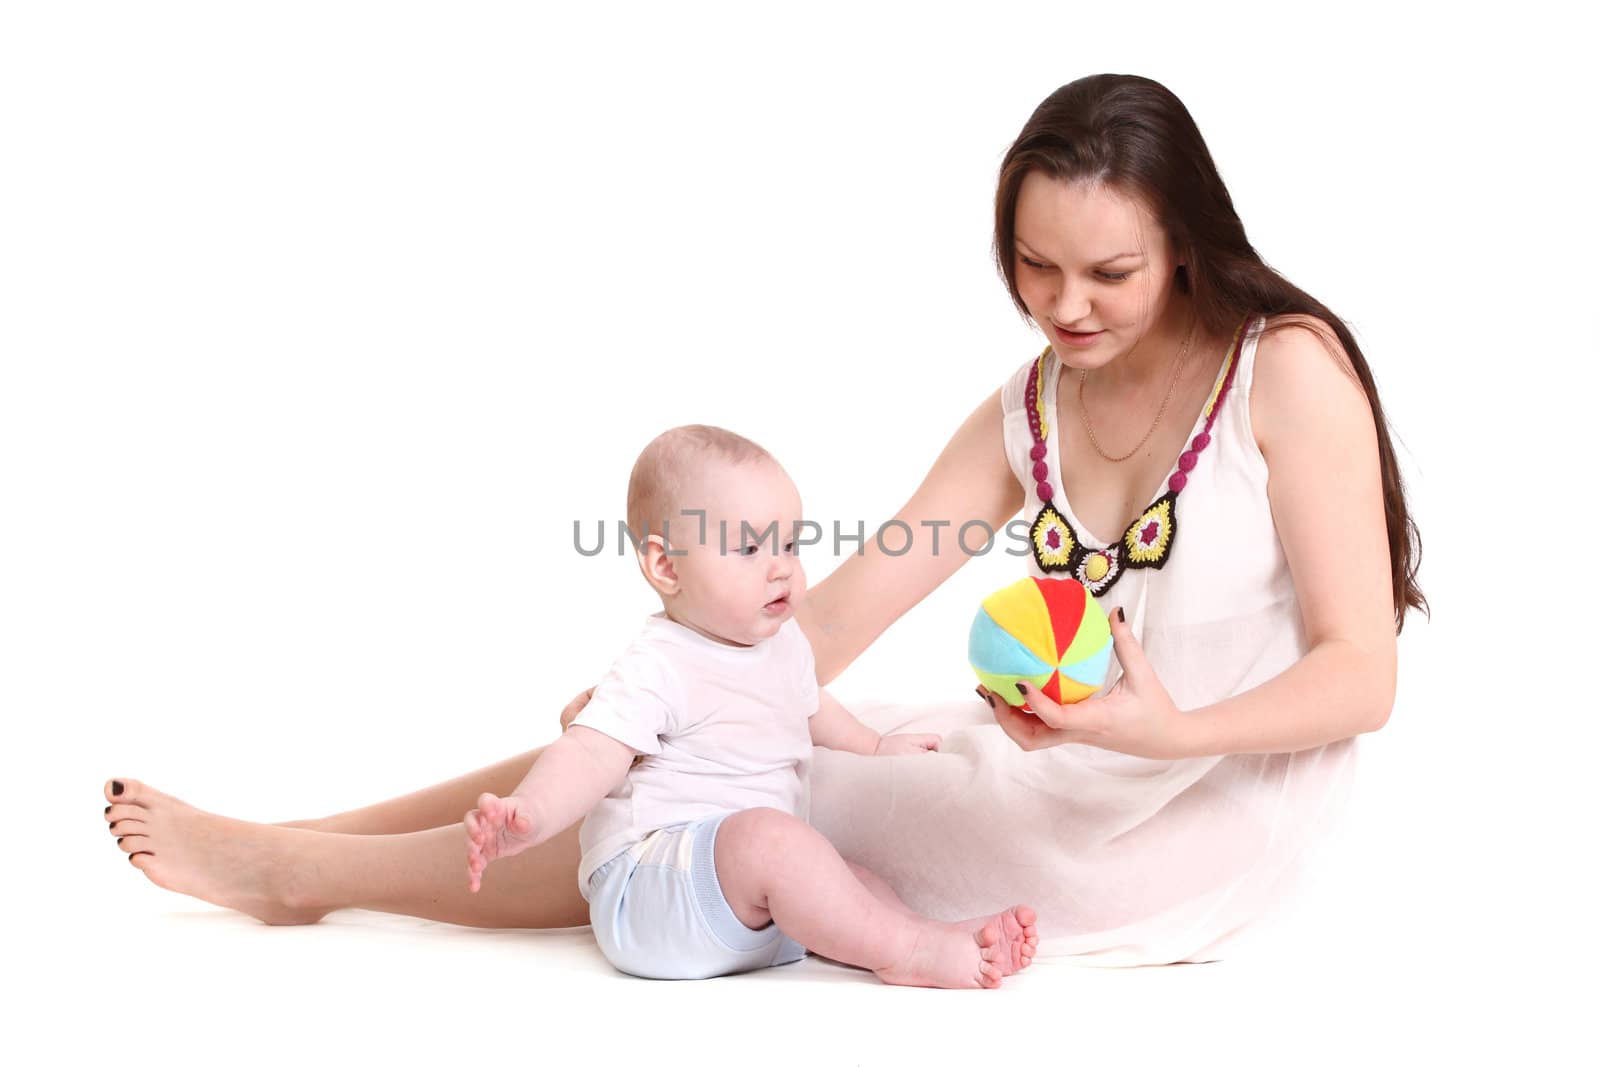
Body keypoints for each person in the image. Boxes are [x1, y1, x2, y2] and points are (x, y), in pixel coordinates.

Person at [102, 73, 1423, 965]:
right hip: (1078, 755)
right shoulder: (1033, 401)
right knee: (679, 713)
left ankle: (314, 869)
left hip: (1203, 806)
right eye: (1033, 264)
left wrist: (1173, 728)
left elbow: (1362, 678)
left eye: (1111, 272)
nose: (1065, 304)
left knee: (714, 769)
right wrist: (679, 663)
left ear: (1186, 243)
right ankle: (317, 844)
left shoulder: (1288, 368)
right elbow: (858, 597)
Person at [462, 424, 1037, 987]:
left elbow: (811, 708)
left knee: (844, 874)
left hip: (743, 901)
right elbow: (589, 751)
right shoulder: (659, 663)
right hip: (654, 894)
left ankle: (930, 933)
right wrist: (530, 813)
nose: (781, 565)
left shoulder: (780, 645)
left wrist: (876, 744)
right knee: (778, 844)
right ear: (667, 566)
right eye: (750, 548)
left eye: (789, 544)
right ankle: (908, 951)